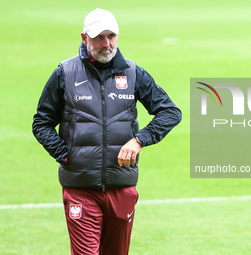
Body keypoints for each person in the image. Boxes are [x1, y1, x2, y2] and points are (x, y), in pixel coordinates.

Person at [32, 8, 181, 255]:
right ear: (84, 38)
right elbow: (41, 122)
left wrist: (140, 140)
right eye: (99, 37)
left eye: (111, 36)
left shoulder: (133, 73)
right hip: (80, 188)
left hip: (122, 186)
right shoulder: (65, 73)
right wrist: (66, 155)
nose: (106, 43)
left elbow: (170, 112)